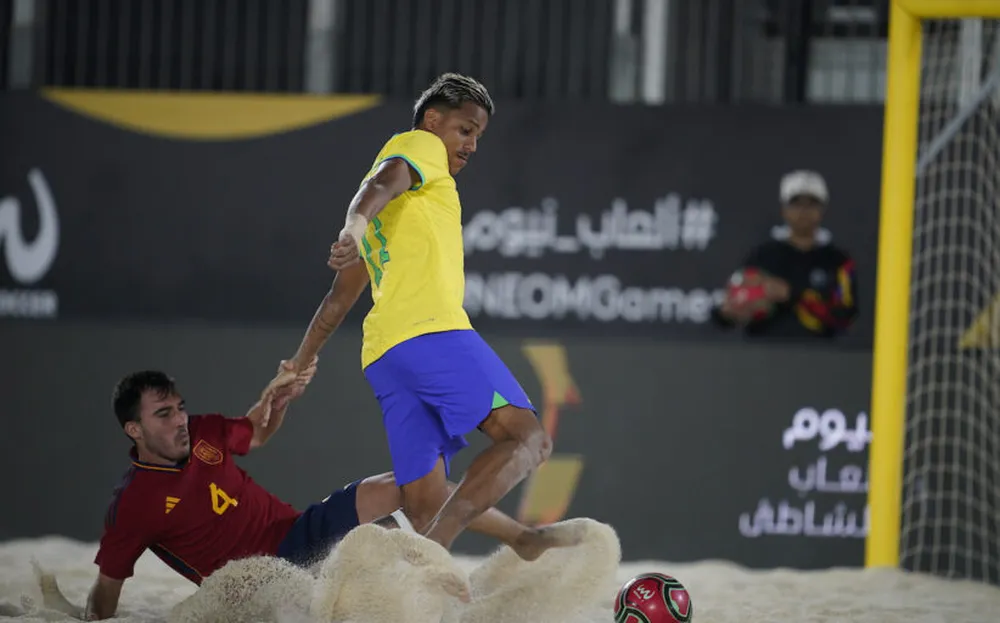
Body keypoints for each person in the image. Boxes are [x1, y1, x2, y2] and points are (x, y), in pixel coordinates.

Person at [269, 72, 565, 553]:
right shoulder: (419, 148)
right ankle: (433, 555)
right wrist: (354, 224)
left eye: (478, 136)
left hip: (386, 355)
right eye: (465, 129)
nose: (471, 144)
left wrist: (296, 366)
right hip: (433, 335)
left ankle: (319, 566)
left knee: (424, 502)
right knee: (530, 439)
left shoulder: (396, 212)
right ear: (433, 120)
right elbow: (381, 184)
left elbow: (337, 301)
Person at [85, 364, 571, 620]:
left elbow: (255, 433)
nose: (180, 421)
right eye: (163, 415)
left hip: (297, 531)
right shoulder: (133, 505)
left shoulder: (205, 433)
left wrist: (277, 399)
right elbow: (107, 590)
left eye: (179, 407)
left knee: (407, 487)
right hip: (260, 584)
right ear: (133, 430)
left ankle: (521, 539)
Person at [711, 169, 858, 340]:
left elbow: (845, 316)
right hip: (764, 355)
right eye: (796, 203)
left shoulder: (838, 261)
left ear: (822, 209)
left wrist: (791, 294)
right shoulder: (763, 256)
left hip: (821, 358)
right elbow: (726, 315)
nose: (803, 211)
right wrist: (730, 312)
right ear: (784, 209)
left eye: (811, 204)